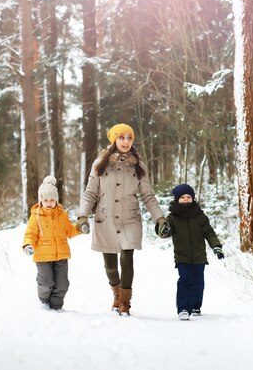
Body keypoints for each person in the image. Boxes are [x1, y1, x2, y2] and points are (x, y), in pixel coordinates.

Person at [76, 123, 167, 316]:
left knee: (127, 259)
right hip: (105, 218)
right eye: (122, 137)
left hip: (129, 218)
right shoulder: (100, 163)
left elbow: (148, 195)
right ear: (114, 139)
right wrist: (82, 215)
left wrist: (160, 219)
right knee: (110, 266)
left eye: (129, 138)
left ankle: (125, 303)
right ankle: (116, 295)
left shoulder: (137, 165)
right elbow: (90, 193)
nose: (126, 141)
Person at [157, 183, 224, 321]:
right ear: (177, 199)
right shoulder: (172, 217)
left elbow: (209, 233)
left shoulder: (200, 216)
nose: (186, 199)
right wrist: (163, 229)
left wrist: (216, 246)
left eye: (189, 197)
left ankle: (195, 306)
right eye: (183, 197)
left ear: (193, 198)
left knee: (198, 282)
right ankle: (183, 308)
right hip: (182, 256)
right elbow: (165, 232)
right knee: (185, 280)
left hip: (199, 256)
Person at [23, 175, 87, 310]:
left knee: (63, 284)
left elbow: (69, 231)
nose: (49, 202)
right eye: (45, 200)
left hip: (61, 255)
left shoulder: (62, 215)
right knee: (46, 282)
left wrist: (80, 229)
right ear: (41, 200)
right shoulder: (36, 216)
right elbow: (30, 233)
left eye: (52, 200)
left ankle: (56, 308)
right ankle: (44, 304)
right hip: (43, 256)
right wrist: (28, 245)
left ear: (56, 200)